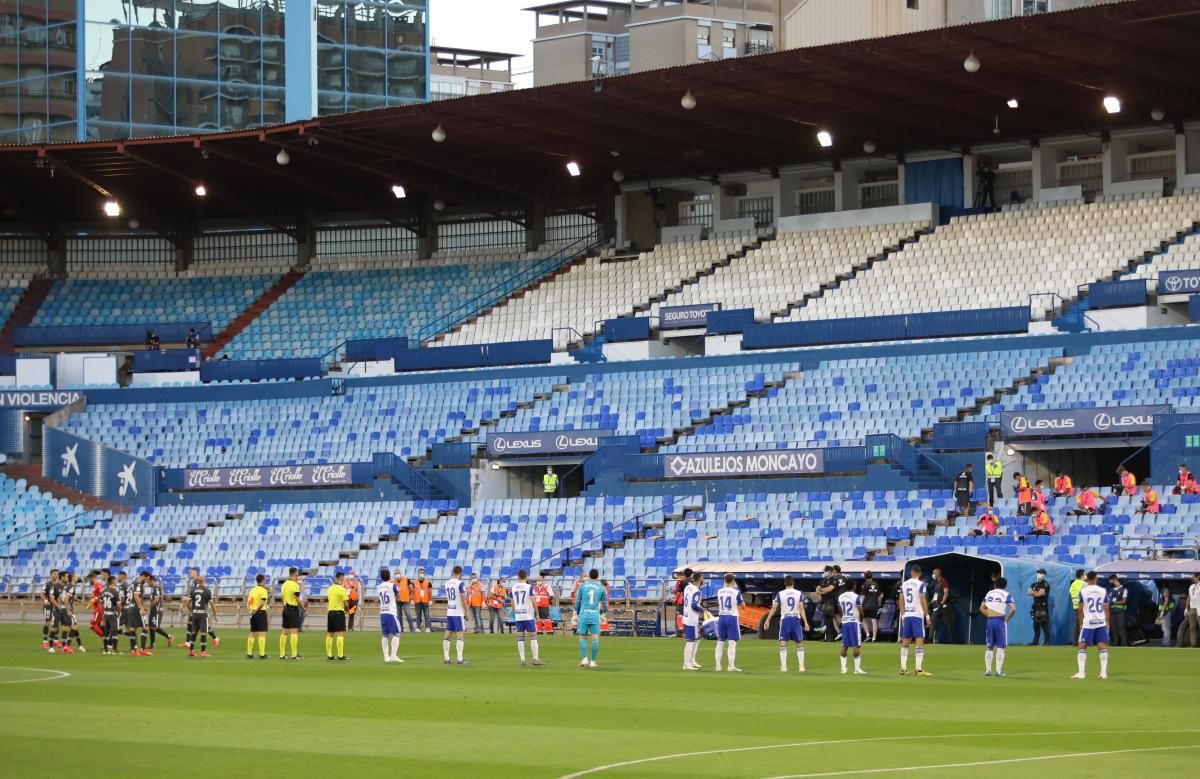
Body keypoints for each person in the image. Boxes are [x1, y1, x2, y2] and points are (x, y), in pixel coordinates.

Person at [765, 574, 809, 672]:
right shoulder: (799, 593)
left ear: (785, 583)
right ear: (793, 582)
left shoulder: (780, 594)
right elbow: (801, 608)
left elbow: (774, 608)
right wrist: (806, 622)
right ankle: (801, 666)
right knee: (799, 642)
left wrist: (767, 620)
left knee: (783, 642)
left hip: (785, 619)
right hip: (796, 619)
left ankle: (784, 667)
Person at [1072, 571, 1110, 680]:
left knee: (1082, 646)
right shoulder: (1103, 591)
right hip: (1100, 622)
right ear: (1096, 579)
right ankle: (1103, 673)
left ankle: (1081, 673)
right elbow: (1106, 608)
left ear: (1087, 579)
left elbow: (1080, 609)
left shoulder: (1083, 591)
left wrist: (1080, 623)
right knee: (1102, 646)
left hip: (1088, 623)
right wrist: (1107, 622)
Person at [898, 565, 932, 676]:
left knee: (905, 642)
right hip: (917, 615)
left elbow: (900, 601)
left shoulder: (904, 584)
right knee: (919, 641)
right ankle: (918, 669)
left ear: (912, 572)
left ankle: (903, 669)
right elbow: (923, 601)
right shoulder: (921, 584)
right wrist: (927, 616)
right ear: (919, 573)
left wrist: (903, 615)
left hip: (907, 615)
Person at [572, 568, 608, 668]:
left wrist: (575, 613)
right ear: (597, 577)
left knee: (582, 636)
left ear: (589, 576)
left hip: (584, 614)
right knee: (595, 638)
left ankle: (584, 659)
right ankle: (593, 661)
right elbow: (605, 603)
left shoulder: (582, 586)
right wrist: (604, 613)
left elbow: (578, 601)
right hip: (594, 615)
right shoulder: (601, 588)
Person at [981, 576, 1016, 677]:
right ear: (1005, 585)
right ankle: (998, 671)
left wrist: (990, 615)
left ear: (995, 584)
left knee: (989, 646)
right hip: (1000, 621)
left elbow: (981, 608)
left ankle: (988, 671)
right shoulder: (1006, 594)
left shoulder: (989, 593)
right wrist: (1007, 619)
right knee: (1000, 647)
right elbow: (1013, 609)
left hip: (990, 621)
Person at [510, 570, 544, 666]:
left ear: (518, 576)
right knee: (533, 636)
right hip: (528, 615)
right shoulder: (529, 587)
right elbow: (533, 601)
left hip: (518, 616)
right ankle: (535, 659)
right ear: (526, 577)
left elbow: (512, 602)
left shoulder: (513, 588)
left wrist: (515, 612)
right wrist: (537, 614)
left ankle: (522, 659)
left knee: (520, 637)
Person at [714, 573, 744, 672]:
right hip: (732, 617)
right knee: (732, 643)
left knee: (720, 642)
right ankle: (730, 666)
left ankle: (718, 666)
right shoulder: (736, 592)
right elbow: (742, 605)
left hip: (722, 617)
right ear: (732, 581)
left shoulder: (719, 591)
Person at [443, 565, 470, 665]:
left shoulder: (446, 583)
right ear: (460, 573)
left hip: (450, 611)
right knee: (460, 634)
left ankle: (446, 658)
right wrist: (466, 611)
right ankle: (460, 658)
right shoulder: (460, 583)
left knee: (448, 634)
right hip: (458, 612)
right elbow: (463, 598)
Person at [376, 569, 404, 664]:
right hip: (391, 612)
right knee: (397, 633)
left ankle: (386, 656)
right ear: (389, 576)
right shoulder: (393, 586)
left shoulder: (379, 587)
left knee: (385, 634)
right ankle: (393, 655)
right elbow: (398, 595)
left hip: (383, 612)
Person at [837, 584, 866, 675]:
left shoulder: (841, 596)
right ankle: (857, 669)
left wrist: (844, 617)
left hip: (845, 622)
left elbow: (839, 609)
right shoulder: (856, 597)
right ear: (854, 587)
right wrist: (861, 619)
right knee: (856, 645)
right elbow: (860, 610)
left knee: (844, 645)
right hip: (854, 622)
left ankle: (843, 669)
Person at [680, 571, 703, 671]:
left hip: (686, 616)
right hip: (691, 619)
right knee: (690, 641)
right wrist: (703, 609)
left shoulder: (688, 587)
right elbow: (694, 605)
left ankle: (692, 660)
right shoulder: (697, 591)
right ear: (700, 578)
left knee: (696, 639)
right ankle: (686, 664)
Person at [187, 575, 214, 658]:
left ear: (197, 582)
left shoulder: (193, 591)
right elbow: (212, 604)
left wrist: (191, 610)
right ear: (204, 581)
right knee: (203, 633)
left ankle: (191, 651)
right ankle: (203, 652)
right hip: (203, 615)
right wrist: (215, 614)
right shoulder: (207, 591)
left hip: (195, 614)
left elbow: (187, 603)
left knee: (194, 632)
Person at [325, 571, 349, 661]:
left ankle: (329, 655)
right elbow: (346, 604)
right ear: (342, 579)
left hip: (330, 612)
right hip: (339, 613)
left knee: (330, 634)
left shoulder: (330, 588)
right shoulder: (342, 589)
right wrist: (347, 612)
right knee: (340, 634)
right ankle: (340, 655)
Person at [279, 566, 303, 660]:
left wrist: (284, 606)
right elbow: (297, 599)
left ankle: (282, 654)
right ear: (295, 574)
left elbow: (282, 597)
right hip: (293, 609)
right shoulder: (295, 585)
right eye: (297, 574)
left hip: (285, 608)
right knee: (294, 632)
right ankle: (294, 654)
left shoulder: (284, 584)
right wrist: (303, 607)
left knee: (284, 632)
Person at [246, 573, 270, 660]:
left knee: (252, 633)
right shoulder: (263, 590)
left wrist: (250, 610)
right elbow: (263, 601)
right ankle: (262, 654)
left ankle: (249, 653)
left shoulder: (252, 590)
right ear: (263, 580)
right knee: (262, 633)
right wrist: (256, 610)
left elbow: (248, 602)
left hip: (253, 614)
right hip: (260, 613)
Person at [928, 567, 954, 644]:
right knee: (932, 621)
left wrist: (942, 603)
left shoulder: (944, 581)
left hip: (944, 606)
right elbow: (936, 594)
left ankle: (951, 639)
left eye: (934, 573)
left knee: (948, 623)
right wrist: (932, 601)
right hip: (937, 606)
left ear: (937, 574)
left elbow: (946, 593)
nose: (933, 575)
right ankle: (930, 638)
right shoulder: (936, 583)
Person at [146, 574, 172, 651]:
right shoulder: (153, 589)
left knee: (154, 627)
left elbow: (156, 599)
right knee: (151, 627)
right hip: (153, 610)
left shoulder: (156, 588)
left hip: (157, 611)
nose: (147, 583)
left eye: (148, 581)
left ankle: (169, 636)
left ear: (152, 580)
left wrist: (150, 606)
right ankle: (152, 645)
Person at [1027, 569, 1051, 646]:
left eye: (1041, 573)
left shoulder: (1045, 584)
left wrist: (1034, 592)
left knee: (1044, 624)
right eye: (1039, 573)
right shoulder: (1034, 584)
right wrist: (1036, 592)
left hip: (1043, 606)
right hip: (1036, 606)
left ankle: (1046, 642)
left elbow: (1040, 594)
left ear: (1045, 575)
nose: (1040, 574)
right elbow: (1028, 592)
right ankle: (1035, 642)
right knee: (1035, 625)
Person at [816, 566, 838, 641]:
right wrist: (824, 591)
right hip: (824, 602)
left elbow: (829, 589)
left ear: (829, 571)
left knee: (830, 619)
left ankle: (832, 637)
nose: (824, 573)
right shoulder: (822, 580)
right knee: (826, 620)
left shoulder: (834, 580)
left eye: (825, 571)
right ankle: (827, 637)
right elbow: (817, 591)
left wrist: (822, 590)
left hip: (831, 601)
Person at [41, 569, 61, 652]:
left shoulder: (58, 585)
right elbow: (41, 593)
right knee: (47, 622)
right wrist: (45, 601)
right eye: (54, 574)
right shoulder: (47, 584)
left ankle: (56, 641)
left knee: (56, 623)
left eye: (57, 574)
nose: (56, 575)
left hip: (56, 606)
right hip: (48, 606)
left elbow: (58, 597)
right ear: (50, 575)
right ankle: (45, 641)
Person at [100, 575, 121, 654]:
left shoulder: (103, 591)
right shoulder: (115, 592)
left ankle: (105, 650)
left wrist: (103, 615)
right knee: (114, 631)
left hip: (105, 614)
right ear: (112, 581)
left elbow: (101, 604)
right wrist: (119, 613)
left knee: (106, 632)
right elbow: (118, 605)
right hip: (112, 614)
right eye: (115, 580)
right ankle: (113, 649)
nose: (116, 582)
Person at [861, 571, 883, 642]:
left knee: (863, 619)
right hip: (874, 605)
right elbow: (879, 596)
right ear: (872, 576)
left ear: (865, 577)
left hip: (866, 605)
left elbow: (862, 596)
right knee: (874, 621)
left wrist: (860, 604)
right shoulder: (876, 584)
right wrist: (879, 604)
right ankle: (874, 638)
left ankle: (867, 635)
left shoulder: (865, 584)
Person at [1107, 574, 1129, 647]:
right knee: (1113, 629)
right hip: (1112, 611)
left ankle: (1124, 644)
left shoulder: (1124, 589)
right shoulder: (1111, 590)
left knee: (1121, 628)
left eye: (1110, 580)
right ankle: (1115, 644)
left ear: (1114, 579)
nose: (1110, 582)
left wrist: (1114, 602)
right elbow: (1108, 600)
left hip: (1120, 611)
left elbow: (1124, 601)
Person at [1069, 568, 1087, 639]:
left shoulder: (1073, 584)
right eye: (1085, 574)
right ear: (1081, 575)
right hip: (1083, 607)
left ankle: (1075, 641)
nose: (1085, 576)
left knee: (1077, 624)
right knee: (1084, 624)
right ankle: (1084, 640)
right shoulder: (1084, 584)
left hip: (1076, 607)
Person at [1186, 572, 1200, 649]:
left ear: (1198, 577)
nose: (1193, 578)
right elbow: (1189, 597)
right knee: (1192, 627)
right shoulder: (1191, 586)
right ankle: (1193, 643)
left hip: (1199, 608)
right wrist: (1186, 608)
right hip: (1192, 608)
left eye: (1194, 577)